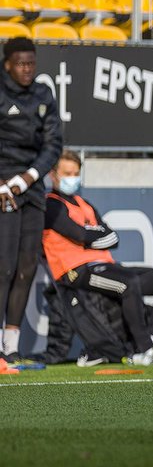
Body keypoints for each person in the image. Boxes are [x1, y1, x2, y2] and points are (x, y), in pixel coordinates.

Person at [43, 150, 153, 366]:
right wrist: (91, 236)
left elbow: (113, 238)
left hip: (104, 265)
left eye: (75, 173)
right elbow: (81, 235)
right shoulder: (51, 205)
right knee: (127, 283)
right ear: (53, 175)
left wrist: (90, 237)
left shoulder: (85, 204)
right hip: (75, 271)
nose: (72, 178)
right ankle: (143, 348)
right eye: (67, 173)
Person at [0, 37, 62, 365]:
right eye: (21, 64)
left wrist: (29, 177)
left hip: (31, 187)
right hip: (2, 188)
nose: (27, 69)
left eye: (32, 63)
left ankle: (10, 345)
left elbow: (53, 143)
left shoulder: (43, 94)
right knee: (4, 266)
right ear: (7, 63)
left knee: (26, 268)